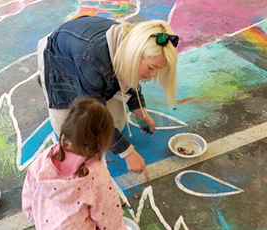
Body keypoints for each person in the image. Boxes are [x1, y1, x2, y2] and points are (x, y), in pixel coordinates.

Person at [37, 16, 179, 181]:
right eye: (151, 67)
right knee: (74, 138)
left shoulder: (131, 46)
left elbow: (131, 76)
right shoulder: (93, 58)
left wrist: (140, 112)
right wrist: (128, 153)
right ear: (135, 55)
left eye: (158, 69)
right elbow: (93, 117)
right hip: (61, 61)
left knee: (116, 122)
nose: (153, 75)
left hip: (87, 56)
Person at [22, 98, 127, 230]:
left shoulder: (46, 157)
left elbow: (29, 188)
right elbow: (109, 215)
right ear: (102, 141)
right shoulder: (96, 174)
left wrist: (31, 214)